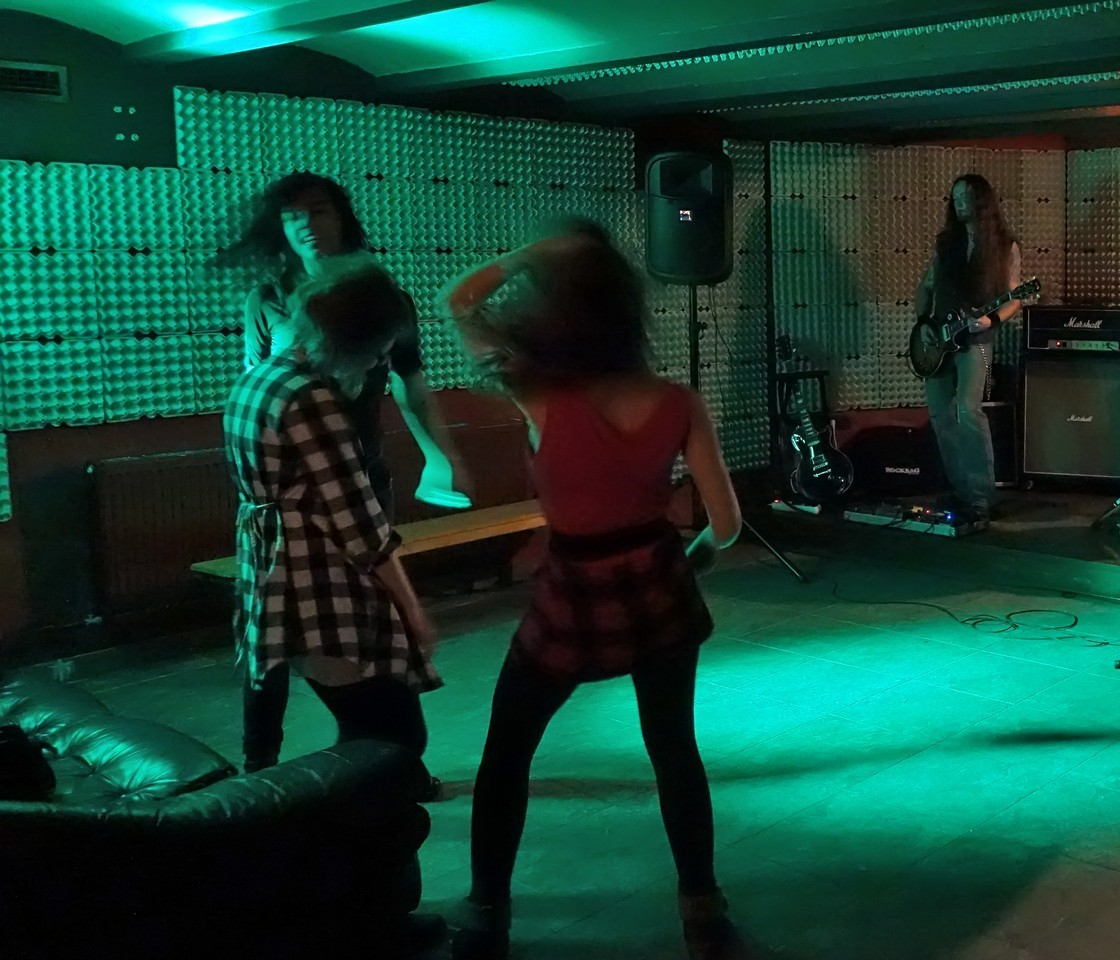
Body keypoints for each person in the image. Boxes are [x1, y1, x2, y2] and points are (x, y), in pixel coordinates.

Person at [439, 222, 743, 960]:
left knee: (507, 751)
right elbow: (727, 526)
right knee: (673, 750)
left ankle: (486, 913)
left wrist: (526, 255)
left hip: (572, 593)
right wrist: (689, 563)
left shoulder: (538, 389)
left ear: (553, 310)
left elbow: (458, 303)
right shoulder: (677, 401)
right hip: (659, 583)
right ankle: (703, 911)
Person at [219, 172, 470, 782]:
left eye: (318, 211)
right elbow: (366, 538)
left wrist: (439, 454)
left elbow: (409, 384)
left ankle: (278, 781)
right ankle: (288, 773)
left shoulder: (273, 378)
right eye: (291, 215)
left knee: (289, 630)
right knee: (367, 677)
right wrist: (415, 616)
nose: (305, 224)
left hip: (299, 502)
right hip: (311, 501)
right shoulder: (298, 361)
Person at [913, 174, 1024, 522]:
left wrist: (992, 320)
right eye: (955, 198)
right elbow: (925, 288)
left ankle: (981, 495)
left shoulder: (1005, 246)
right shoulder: (947, 244)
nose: (959, 203)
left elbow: (1015, 296)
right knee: (940, 415)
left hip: (976, 340)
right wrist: (923, 324)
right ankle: (961, 489)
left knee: (968, 410)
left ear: (982, 201)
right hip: (938, 339)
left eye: (965, 197)